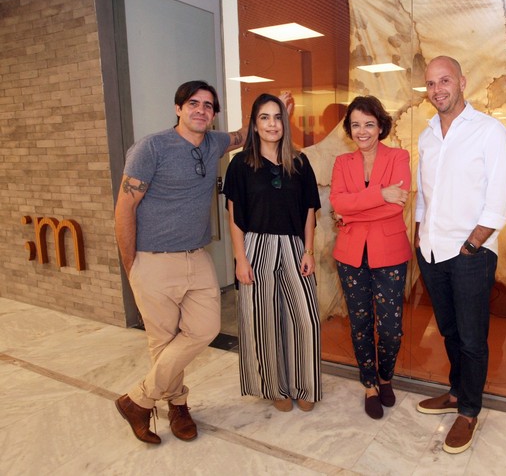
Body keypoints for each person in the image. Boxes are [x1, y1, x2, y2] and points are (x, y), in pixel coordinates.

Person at [113, 80, 249, 444]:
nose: (201, 110)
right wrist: (132, 266)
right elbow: (124, 209)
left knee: (205, 328)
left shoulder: (213, 143)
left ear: (214, 114)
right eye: (193, 103)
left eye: (208, 105)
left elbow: (242, 135)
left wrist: (276, 106)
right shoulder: (151, 147)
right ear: (178, 109)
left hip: (197, 256)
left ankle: (137, 400)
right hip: (152, 259)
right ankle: (178, 406)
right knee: (163, 341)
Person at [414, 56, 506, 454]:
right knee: (450, 331)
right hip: (432, 252)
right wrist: (420, 236)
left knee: (472, 338)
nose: (437, 89)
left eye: (445, 80)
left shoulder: (489, 131)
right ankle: (456, 393)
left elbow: (499, 200)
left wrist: (472, 245)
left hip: (470, 254)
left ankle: (469, 411)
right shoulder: (426, 136)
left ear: (462, 82)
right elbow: (424, 196)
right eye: (431, 83)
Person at [222, 93, 322, 413]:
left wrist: (309, 250)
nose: (272, 124)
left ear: (285, 122)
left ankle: (304, 385)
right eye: (264, 117)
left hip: (294, 246)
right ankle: (275, 388)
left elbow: (310, 210)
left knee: (305, 320)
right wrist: (240, 258)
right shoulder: (240, 165)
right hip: (256, 246)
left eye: (277, 117)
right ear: (254, 124)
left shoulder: (300, 162)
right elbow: (234, 217)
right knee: (262, 321)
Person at [330, 96, 411, 419]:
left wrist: (351, 212)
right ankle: (369, 384)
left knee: (391, 328)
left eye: (369, 124)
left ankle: (385, 376)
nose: (362, 131)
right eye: (355, 125)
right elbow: (338, 203)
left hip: (390, 253)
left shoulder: (399, 156)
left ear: (380, 126)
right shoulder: (342, 162)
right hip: (350, 255)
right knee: (360, 324)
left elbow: (396, 206)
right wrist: (380, 194)